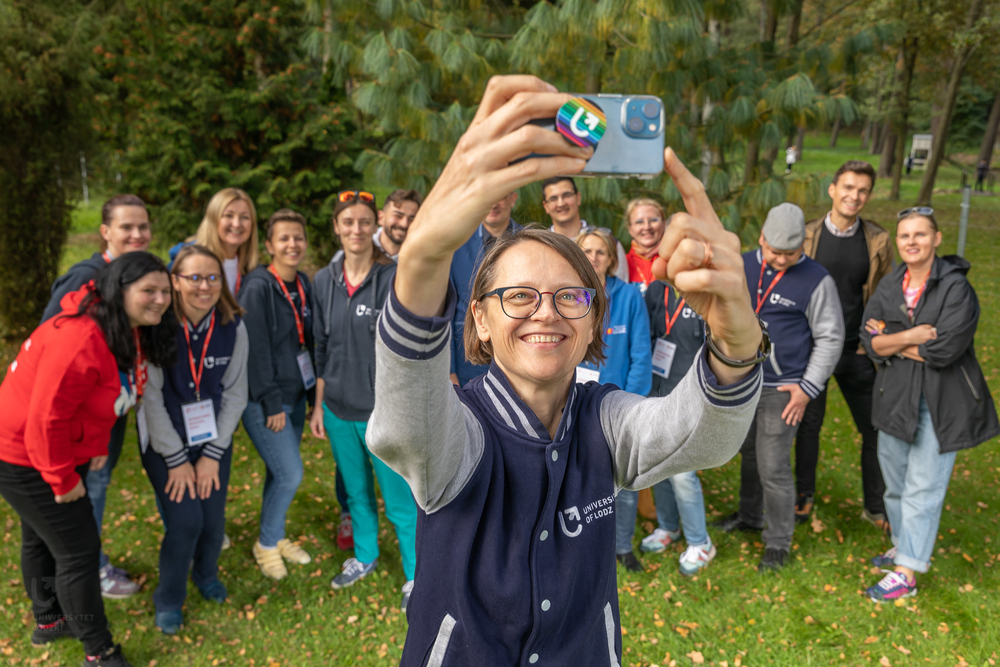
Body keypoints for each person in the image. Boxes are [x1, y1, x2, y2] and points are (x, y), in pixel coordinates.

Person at [366, 74, 764, 666]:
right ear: (477, 320)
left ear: (593, 318)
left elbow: (703, 435)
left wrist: (737, 337)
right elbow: (405, 420)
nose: (545, 312)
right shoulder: (459, 432)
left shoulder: (603, 419)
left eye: (569, 297)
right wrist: (423, 258)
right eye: (519, 296)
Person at [0, 252, 176, 666]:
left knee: (41, 537)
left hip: (52, 447)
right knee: (78, 552)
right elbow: (47, 417)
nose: (160, 300)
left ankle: (49, 621)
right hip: (23, 453)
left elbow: (101, 397)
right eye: (148, 291)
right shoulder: (79, 336)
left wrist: (94, 447)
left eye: (165, 291)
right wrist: (62, 479)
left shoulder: (120, 326)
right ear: (119, 289)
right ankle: (98, 652)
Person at [860, 208, 998, 601]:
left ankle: (907, 573)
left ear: (937, 239)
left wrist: (894, 339)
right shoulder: (889, 287)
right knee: (895, 486)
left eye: (921, 234)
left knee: (924, 488)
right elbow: (869, 340)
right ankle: (904, 546)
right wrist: (914, 335)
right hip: (895, 400)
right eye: (904, 236)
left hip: (941, 404)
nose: (912, 242)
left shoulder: (955, 288)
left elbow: (946, 350)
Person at [717, 203, 844, 572]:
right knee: (749, 454)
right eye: (775, 252)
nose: (783, 259)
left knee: (773, 465)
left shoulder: (817, 279)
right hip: (742, 380)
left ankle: (778, 542)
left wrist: (807, 387)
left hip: (784, 388)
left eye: (792, 253)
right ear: (761, 239)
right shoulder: (741, 265)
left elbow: (831, 338)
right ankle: (749, 516)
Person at [308, 191, 418, 610]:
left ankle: (415, 575)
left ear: (374, 226)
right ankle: (366, 556)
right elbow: (321, 345)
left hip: (383, 412)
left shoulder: (393, 276)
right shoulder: (323, 280)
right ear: (336, 227)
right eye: (347, 222)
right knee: (356, 494)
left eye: (363, 221)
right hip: (337, 408)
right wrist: (318, 405)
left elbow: (409, 346)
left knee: (400, 501)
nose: (355, 229)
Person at [40, 194, 153, 599]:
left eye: (143, 226)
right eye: (127, 227)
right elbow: (50, 348)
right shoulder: (84, 279)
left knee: (94, 488)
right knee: (87, 492)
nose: (137, 234)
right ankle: (88, 572)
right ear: (105, 232)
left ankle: (78, 567)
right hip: (81, 421)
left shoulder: (136, 274)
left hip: (111, 413)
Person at [141, 245, 249, 634]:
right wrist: (176, 459)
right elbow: (151, 398)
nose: (205, 286)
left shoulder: (234, 324)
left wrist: (213, 453)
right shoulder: (156, 326)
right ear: (175, 280)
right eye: (194, 277)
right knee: (186, 521)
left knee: (213, 521)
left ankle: (205, 575)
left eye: (213, 277)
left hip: (212, 440)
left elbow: (236, 393)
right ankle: (168, 599)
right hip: (164, 440)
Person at [796, 160, 893, 531]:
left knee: (874, 430)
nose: (855, 196)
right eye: (848, 188)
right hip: (812, 354)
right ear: (833, 189)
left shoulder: (878, 240)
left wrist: (872, 343)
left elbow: (886, 295)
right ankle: (803, 499)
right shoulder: (806, 235)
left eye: (863, 190)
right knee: (808, 429)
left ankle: (876, 506)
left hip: (856, 353)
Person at [238, 209, 316, 579]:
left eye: (298, 237)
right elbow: (254, 350)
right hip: (266, 400)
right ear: (269, 245)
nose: (292, 244)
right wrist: (270, 401)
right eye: (283, 238)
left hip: (296, 394)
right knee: (290, 473)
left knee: (278, 472)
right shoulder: (258, 286)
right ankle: (266, 544)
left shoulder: (302, 282)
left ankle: (276, 533)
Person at [574, 228, 653, 573]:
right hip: (574, 402)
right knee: (579, 478)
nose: (593, 258)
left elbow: (640, 353)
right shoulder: (569, 297)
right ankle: (585, 546)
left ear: (611, 258)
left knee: (624, 476)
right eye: (586, 251)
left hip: (619, 404)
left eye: (600, 252)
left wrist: (631, 404)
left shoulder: (630, 297)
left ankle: (622, 545)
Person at [642, 276, 717, 576]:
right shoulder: (657, 290)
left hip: (691, 394)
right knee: (657, 464)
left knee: (683, 473)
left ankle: (701, 542)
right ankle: (668, 526)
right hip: (657, 390)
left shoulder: (706, 292)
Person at [449, 191, 523, 386]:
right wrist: (449, 370)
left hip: (521, 361)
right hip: (468, 364)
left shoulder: (531, 242)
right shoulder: (456, 245)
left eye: (499, 193)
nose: (492, 203)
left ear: (512, 198)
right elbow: (445, 311)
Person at [169, 188, 259, 298]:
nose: (236, 224)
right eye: (228, 215)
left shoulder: (251, 270)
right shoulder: (187, 261)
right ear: (213, 219)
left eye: (244, 217)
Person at [541, 175, 629, 282]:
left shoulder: (609, 242)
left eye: (567, 195)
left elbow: (621, 288)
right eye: (553, 198)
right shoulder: (539, 245)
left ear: (578, 197)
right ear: (545, 206)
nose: (561, 203)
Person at [624, 198, 668, 296]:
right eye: (639, 222)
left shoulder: (673, 259)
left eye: (653, 220)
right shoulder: (622, 264)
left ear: (664, 224)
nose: (647, 227)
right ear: (630, 229)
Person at [373, 189, 422, 260]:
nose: (404, 224)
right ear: (381, 218)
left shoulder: (420, 258)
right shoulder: (362, 245)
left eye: (411, 219)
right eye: (398, 216)